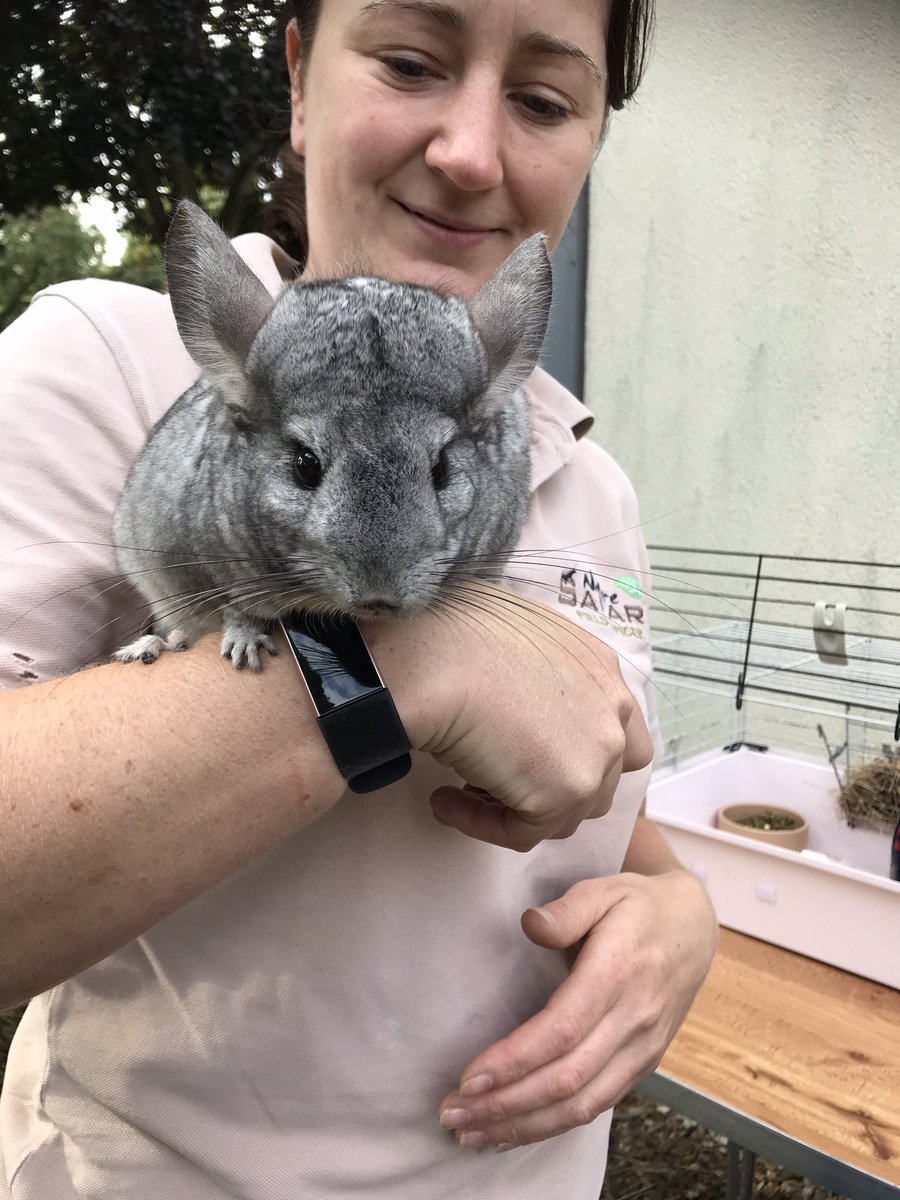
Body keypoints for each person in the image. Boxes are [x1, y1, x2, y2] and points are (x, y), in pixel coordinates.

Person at [0, 0, 719, 1195]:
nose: (471, 152)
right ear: (298, 79)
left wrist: (678, 912)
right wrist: (400, 667)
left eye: (544, 100)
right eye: (409, 61)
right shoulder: (101, 362)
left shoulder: (595, 479)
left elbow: (594, 806)